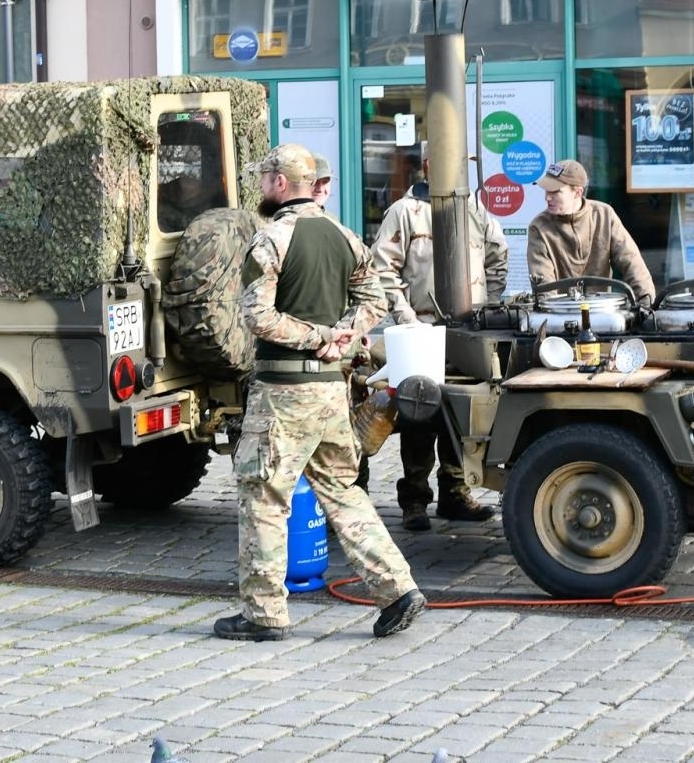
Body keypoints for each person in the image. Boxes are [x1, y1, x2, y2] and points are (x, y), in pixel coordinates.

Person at [213, 143, 425, 641]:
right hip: (331, 392)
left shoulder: (271, 239)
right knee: (343, 491)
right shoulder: (343, 235)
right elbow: (376, 299)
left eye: (264, 178)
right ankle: (397, 589)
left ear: (280, 183)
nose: (261, 186)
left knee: (264, 495)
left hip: (283, 392)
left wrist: (319, 337)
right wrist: (345, 336)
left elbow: (258, 316)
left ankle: (264, 613)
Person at [370, 170, 507, 530]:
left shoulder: (473, 207)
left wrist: (487, 307)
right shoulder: (404, 211)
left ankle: (455, 492)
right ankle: (414, 499)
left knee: (461, 413)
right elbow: (382, 268)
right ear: (428, 164)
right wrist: (406, 316)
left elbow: (497, 255)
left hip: (467, 330)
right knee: (418, 410)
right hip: (420, 328)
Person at [526, 159, 655, 305]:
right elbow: (544, 286)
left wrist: (647, 303)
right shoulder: (539, 227)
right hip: (560, 311)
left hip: (602, 310)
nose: (547, 197)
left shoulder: (604, 215)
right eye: (546, 190)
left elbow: (631, 261)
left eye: (555, 191)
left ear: (577, 192)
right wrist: (550, 311)